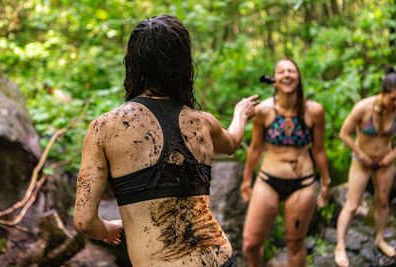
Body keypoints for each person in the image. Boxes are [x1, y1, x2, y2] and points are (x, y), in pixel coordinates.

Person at [73, 14, 258, 267]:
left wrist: (108, 229)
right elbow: (233, 141)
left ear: (133, 63)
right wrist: (241, 114)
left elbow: (85, 221)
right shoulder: (203, 122)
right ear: (183, 65)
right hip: (220, 258)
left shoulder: (104, 128)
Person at [241, 58, 331, 267]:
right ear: (274, 80)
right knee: (251, 244)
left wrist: (326, 182)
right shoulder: (263, 110)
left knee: (295, 244)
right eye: (281, 72)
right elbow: (255, 148)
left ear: (298, 78)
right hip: (267, 181)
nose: (287, 75)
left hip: (303, 183)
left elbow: (319, 150)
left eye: (291, 71)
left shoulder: (314, 111)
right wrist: (246, 180)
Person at [334, 66, 396, 267]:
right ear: (382, 93)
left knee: (383, 202)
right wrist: (361, 154)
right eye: (393, 98)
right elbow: (344, 133)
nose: (395, 103)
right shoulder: (363, 108)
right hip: (361, 161)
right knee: (352, 205)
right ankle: (340, 247)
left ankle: (380, 239)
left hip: (385, 162)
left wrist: (392, 155)